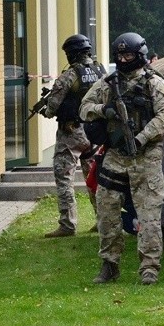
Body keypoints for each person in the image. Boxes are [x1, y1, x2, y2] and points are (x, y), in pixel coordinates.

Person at [80, 32, 164, 285]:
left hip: (146, 157)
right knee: (107, 210)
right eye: (119, 55)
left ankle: (149, 268)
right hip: (116, 157)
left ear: (140, 55)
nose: (123, 59)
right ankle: (109, 264)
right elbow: (84, 107)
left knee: (149, 216)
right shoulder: (108, 83)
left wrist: (141, 138)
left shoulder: (154, 84)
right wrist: (105, 109)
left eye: (128, 55)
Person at [41, 34, 106, 238]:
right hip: (94, 132)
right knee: (94, 176)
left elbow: (52, 107)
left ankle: (67, 224)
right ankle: (102, 220)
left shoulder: (69, 75)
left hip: (71, 133)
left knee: (64, 177)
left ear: (72, 54)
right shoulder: (100, 70)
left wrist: (47, 111)